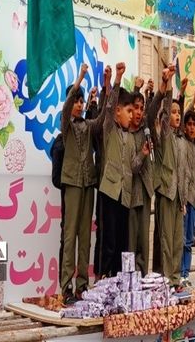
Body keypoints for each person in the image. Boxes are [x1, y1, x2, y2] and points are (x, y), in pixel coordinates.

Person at [59, 63, 108, 302]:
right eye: (76, 101)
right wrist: (79, 78)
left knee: (84, 238)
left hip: (89, 184)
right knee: (70, 237)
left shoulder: (87, 126)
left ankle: (82, 285)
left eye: (81, 101)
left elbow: (100, 121)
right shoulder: (66, 126)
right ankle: (66, 287)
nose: (78, 104)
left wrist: (108, 88)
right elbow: (66, 107)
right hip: (72, 184)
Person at [97, 62, 150, 278]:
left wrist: (143, 154)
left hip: (125, 195)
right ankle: (101, 280)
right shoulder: (109, 128)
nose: (131, 115)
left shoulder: (130, 138)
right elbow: (108, 108)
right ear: (118, 112)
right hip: (109, 191)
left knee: (121, 242)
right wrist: (117, 79)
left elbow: (134, 168)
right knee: (107, 241)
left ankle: (118, 282)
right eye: (128, 111)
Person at [153, 65, 187, 287]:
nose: (176, 116)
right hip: (165, 191)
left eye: (178, 113)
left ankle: (175, 278)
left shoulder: (180, 139)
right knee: (165, 239)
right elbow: (165, 113)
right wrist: (169, 90)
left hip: (178, 197)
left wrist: (182, 96)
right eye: (173, 113)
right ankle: (165, 278)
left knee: (177, 240)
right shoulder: (165, 135)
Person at [127, 76, 162, 276]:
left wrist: (160, 86)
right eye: (136, 108)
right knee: (131, 242)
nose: (139, 112)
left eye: (141, 108)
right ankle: (130, 280)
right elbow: (131, 167)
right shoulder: (124, 134)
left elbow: (153, 109)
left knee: (144, 244)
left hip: (146, 191)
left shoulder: (145, 130)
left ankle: (142, 280)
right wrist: (142, 154)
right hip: (130, 194)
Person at [180, 89, 195, 287]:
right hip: (182, 199)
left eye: (194, 124)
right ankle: (179, 273)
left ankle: (186, 275)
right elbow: (180, 120)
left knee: (189, 240)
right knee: (180, 239)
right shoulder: (181, 141)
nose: (191, 127)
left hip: (193, 200)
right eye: (188, 124)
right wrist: (193, 101)